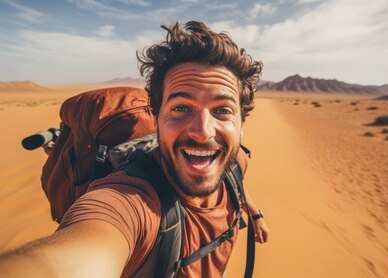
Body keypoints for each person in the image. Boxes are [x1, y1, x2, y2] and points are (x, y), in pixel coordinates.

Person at [0, 21, 269, 277]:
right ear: (157, 117)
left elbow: (233, 174)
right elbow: (71, 256)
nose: (203, 131)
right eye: (181, 108)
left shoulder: (235, 160)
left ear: (241, 123)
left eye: (223, 110)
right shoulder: (129, 201)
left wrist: (254, 212)